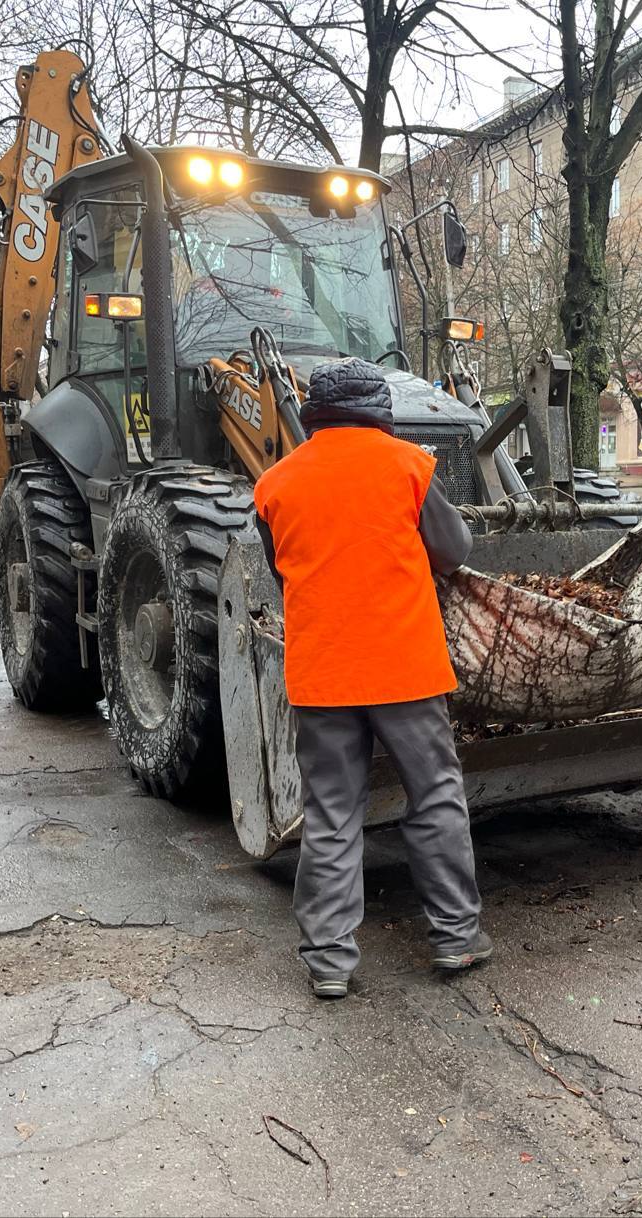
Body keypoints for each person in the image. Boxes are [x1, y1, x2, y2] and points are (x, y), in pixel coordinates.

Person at [253, 357, 490, 1000]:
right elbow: (455, 551)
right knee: (435, 796)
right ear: (379, 412)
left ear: (315, 414)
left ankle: (329, 960)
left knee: (331, 812)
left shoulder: (275, 484)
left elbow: (283, 572)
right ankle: (456, 938)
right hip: (405, 670)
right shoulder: (409, 465)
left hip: (322, 674)